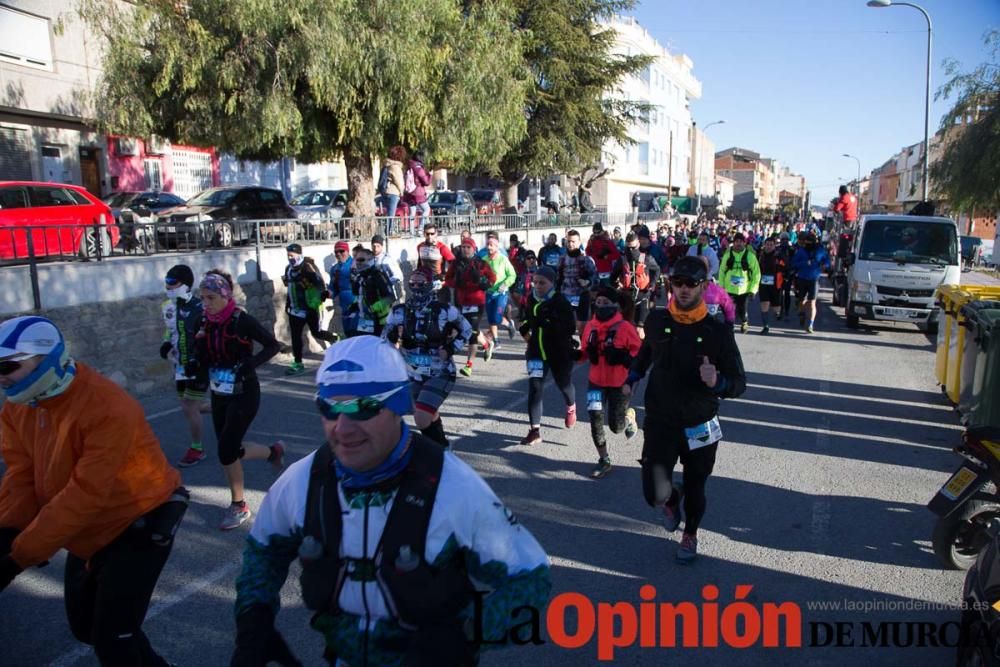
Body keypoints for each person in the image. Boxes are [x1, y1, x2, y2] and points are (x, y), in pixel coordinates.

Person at [231, 336, 551, 667]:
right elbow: (264, 551)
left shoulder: (452, 486)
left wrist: (463, 634)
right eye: (328, 406)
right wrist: (253, 624)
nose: (342, 428)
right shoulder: (304, 482)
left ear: (400, 404)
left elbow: (531, 577)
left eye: (363, 407)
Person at [0, 316, 186, 665]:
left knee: (113, 641)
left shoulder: (107, 406)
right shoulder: (17, 405)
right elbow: (22, 473)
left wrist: (17, 558)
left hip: (140, 517)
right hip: (89, 526)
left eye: (8, 365)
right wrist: (7, 530)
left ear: (48, 358)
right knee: (89, 628)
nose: (1, 376)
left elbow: (85, 493)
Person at [627, 256, 747, 563]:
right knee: (654, 493)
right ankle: (672, 497)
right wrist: (632, 378)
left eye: (691, 284)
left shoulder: (717, 331)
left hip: (700, 422)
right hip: (661, 420)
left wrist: (718, 381)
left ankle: (690, 532)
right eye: (677, 283)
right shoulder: (657, 321)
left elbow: (738, 383)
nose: (683, 289)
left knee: (697, 485)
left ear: (704, 287)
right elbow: (645, 354)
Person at [188, 270, 284, 530]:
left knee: (226, 450)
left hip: (245, 392)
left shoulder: (241, 320)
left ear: (224, 295)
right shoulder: (203, 321)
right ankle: (272, 452)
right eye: (202, 297)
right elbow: (202, 353)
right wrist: (196, 364)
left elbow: (273, 346)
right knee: (228, 449)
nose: (205, 303)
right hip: (220, 393)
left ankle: (239, 505)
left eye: (210, 297)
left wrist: (249, 365)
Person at [385, 269, 473, 447]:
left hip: (440, 372)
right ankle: (442, 449)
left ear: (430, 285)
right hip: (412, 373)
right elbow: (384, 338)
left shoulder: (444, 310)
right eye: (412, 283)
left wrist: (449, 349)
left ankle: (437, 452)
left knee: (421, 418)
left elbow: (467, 329)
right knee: (393, 412)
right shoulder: (399, 311)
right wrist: (392, 351)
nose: (416, 287)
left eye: (421, 283)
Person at [580, 288, 641, 478]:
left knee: (617, 427)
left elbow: (639, 354)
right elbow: (583, 352)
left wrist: (624, 356)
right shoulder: (590, 326)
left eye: (606, 303)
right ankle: (604, 459)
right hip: (595, 382)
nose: (601, 306)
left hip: (618, 383)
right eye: (598, 303)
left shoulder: (624, 327)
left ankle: (629, 416)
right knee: (595, 418)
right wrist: (572, 354)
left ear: (615, 305)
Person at [519, 266, 578, 446]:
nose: (537, 286)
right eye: (535, 282)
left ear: (552, 283)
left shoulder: (561, 302)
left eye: (542, 283)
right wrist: (525, 327)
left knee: (564, 385)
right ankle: (534, 431)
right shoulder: (531, 299)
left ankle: (571, 407)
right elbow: (528, 318)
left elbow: (570, 328)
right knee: (535, 388)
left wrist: (550, 322)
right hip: (536, 353)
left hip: (558, 352)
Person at [159, 264, 210, 467]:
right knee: (188, 407)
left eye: (173, 283)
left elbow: (206, 338)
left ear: (186, 285)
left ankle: (197, 449)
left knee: (190, 408)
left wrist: (197, 360)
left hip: (197, 366)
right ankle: (227, 406)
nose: (168, 286)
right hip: (179, 365)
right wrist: (165, 343)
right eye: (166, 282)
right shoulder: (168, 306)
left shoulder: (200, 307)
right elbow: (170, 330)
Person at [283, 243, 338, 375]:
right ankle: (298, 363)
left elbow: (320, 284)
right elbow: (289, 287)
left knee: (316, 333)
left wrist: (319, 297)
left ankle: (334, 338)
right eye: (288, 255)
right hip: (295, 309)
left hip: (310, 308)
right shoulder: (288, 269)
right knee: (296, 336)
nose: (290, 258)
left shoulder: (308, 268)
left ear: (299, 254)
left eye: (293, 255)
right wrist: (288, 304)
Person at [444, 238, 496, 377]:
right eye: (463, 247)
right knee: (465, 328)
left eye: (468, 247)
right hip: (461, 302)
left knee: (472, 333)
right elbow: (448, 279)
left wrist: (484, 284)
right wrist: (455, 282)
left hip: (476, 303)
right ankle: (486, 344)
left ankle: (469, 366)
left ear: (474, 249)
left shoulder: (481, 263)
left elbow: (492, 278)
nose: (466, 249)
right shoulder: (456, 264)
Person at [611, 232, 660, 339]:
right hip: (626, 297)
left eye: (633, 247)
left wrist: (652, 285)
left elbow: (657, 270)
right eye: (628, 248)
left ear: (638, 244)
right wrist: (617, 286)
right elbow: (612, 277)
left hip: (643, 296)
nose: (631, 251)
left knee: (640, 330)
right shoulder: (622, 260)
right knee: (625, 328)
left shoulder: (646, 258)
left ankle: (641, 352)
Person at [481, 235, 518, 361]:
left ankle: (508, 325)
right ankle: (496, 341)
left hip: (501, 293)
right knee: (491, 319)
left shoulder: (503, 259)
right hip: (489, 292)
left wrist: (504, 284)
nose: (489, 247)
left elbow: (512, 275)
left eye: (491, 245)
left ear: (497, 247)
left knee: (496, 317)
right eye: (488, 244)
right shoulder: (484, 259)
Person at [718, 233, 761, 334]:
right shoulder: (728, 255)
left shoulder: (750, 256)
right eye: (736, 241)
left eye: (741, 242)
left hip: (744, 289)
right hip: (729, 288)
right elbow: (722, 271)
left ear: (744, 243)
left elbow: (756, 274)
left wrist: (753, 289)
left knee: (743, 310)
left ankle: (744, 322)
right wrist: (721, 287)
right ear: (734, 242)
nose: (738, 244)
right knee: (728, 309)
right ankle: (730, 324)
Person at [557, 229, 597, 335]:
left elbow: (595, 277)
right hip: (565, 296)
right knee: (566, 326)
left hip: (582, 296)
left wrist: (587, 282)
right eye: (569, 241)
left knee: (582, 327)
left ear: (579, 242)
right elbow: (558, 278)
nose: (570, 244)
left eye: (573, 241)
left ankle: (584, 349)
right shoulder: (562, 259)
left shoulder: (587, 260)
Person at [350, 246, 395, 337]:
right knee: (366, 344)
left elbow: (391, 297)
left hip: (381, 320)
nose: (358, 262)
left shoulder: (378, 275)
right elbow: (359, 295)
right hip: (366, 319)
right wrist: (354, 305)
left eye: (361, 260)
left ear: (371, 260)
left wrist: (374, 307)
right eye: (356, 259)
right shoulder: (359, 277)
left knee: (379, 347)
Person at [791, 231, 831, 334]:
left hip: (814, 279)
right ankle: (802, 313)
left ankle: (810, 324)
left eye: (811, 242)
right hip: (802, 278)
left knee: (812, 302)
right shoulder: (801, 251)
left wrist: (825, 266)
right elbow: (794, 263)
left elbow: (827, 261)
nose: (808, 244)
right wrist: (804, 263)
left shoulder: (820, 251)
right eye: (807, 242)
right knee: (802, 301)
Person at [756, 235, 787, 334]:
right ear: (764, 245)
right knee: (764, 304)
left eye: (771, 245)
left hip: (775, 285)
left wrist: (784, 275)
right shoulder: (760, 255)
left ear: (774, 246)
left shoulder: (779, 256)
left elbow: (786, 267)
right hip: (763, 284)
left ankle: (778, 312)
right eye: (767, 244)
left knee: (775, 308)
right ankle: (765, 326)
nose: (769, 246)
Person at [328, 241, 358, 337]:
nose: (339, 254)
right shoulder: (335, 268)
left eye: (342, 251)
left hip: (356, 303)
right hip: (343, 305)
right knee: (346, 331)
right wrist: (326, 294)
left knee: (356, 331)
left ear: (347, 251)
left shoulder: (356, 264)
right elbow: (333, 287)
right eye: (336, 252)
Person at [416, 223, 455, 289]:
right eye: (427, 234)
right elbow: (419, 263)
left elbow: (454, 263)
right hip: (425, 281)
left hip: (438, 282)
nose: (430, 236)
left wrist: (446, 277)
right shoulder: (420, 246)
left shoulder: (442, 247)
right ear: (424, 234)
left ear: (436, 234)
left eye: (432, 234)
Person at [380, 146, 407, 235]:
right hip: (393, 192)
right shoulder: (395, 167)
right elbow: (399, 181)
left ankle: (388, 231)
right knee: (391, 214)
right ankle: (388, 232)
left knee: (388, 213)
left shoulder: (386, 165)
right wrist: (402, 192)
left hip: (385, 191)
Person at [403, 150, 433, 230]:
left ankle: (411, 232)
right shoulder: (418, 168)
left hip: (409, 193)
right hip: (418, 193)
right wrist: (430, 175)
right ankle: (420, 228)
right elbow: (426, 182)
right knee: (426, 209)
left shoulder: (409, 166)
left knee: (412, 212)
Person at [585, 223, 621, 288]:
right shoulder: (591, 241)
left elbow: (617, 255)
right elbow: (588, 253)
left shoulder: (607, 241)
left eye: (598, 232)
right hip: (595, 271)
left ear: (602, 231)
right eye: (594, 232)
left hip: (606, 271)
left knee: (606, 291)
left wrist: (607, 256)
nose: (596, 234)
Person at [371, 234, 404, 301]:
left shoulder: (388, 259)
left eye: (378, 246)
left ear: (382, 246)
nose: (375, 249)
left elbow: (399, 276)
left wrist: (386, 281)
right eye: (374, 246)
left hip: (388, 294)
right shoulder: (369, 258)